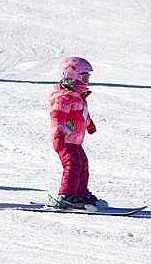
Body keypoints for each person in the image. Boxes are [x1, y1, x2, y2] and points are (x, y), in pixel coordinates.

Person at [48, 56, 100, 209]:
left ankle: (80, 193)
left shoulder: (78, 97)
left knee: (83, 164)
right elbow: (57, 118)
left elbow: (82, 114)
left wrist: (89, 124)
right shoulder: (63, 98)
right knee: (72, 164)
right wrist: (58, 136)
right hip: (65, 140)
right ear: (72, 77)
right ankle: (67, 195)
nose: (87, 82)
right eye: (84, 77)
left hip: (76, 141)